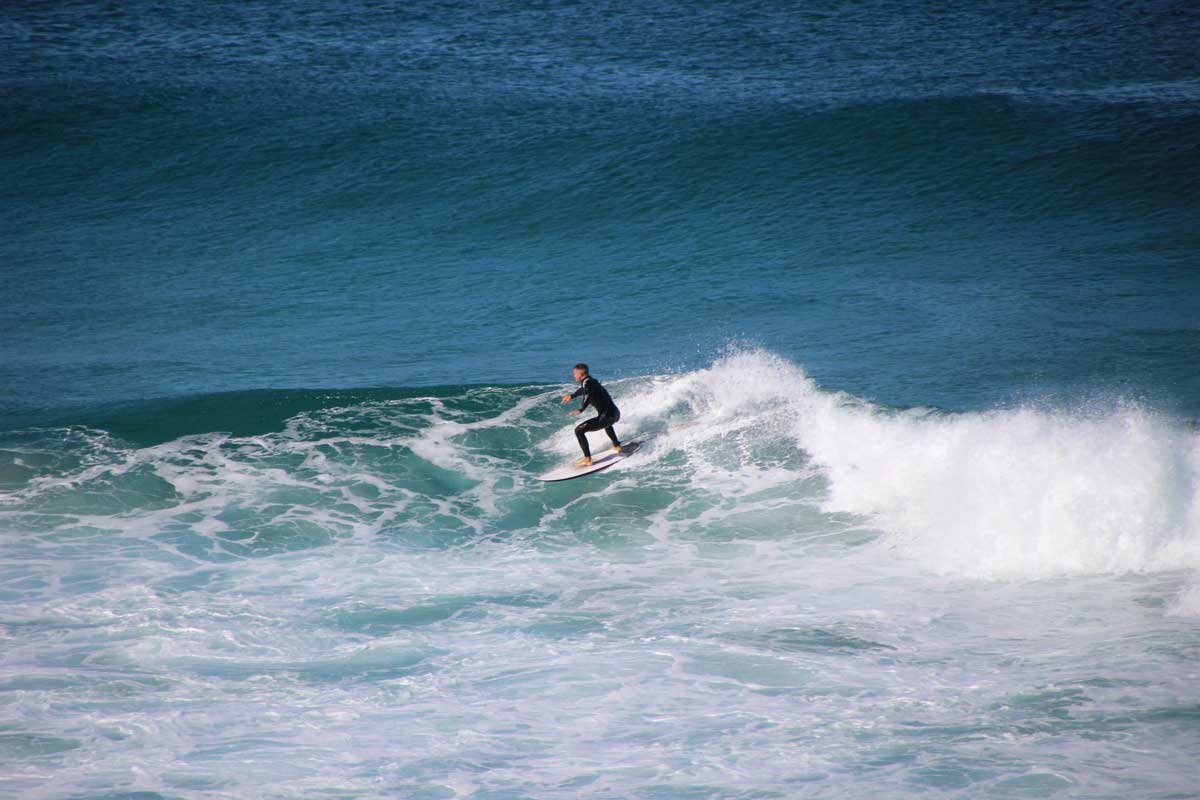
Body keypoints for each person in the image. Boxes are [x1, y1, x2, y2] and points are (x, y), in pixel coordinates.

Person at [560, 362, 620, 467]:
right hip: (614, 414)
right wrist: (572, 395)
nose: (574, 376)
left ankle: (587, 459)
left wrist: (581, 409)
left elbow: (587, 394)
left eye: (575, 374)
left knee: (579, 430)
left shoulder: (587, 384)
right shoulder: (592, 381)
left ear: (582, 375)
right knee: (606, 424)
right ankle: (617, 445)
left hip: (607, 417)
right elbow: (584, 390)